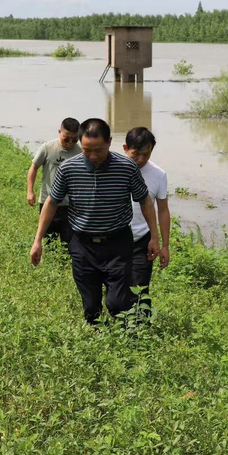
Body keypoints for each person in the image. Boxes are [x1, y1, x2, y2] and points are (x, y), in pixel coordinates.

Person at [31, 118, 158, 324]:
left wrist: (154, 236)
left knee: (116, 302)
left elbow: (144, 201)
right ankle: (99, 338)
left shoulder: (126, 168)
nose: (92, 156)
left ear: (109, 142)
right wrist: (37, 240)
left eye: (98, 150)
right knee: (91, 306)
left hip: (117, 244)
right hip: (82, 244)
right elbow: (51, 203)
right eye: (86, 150)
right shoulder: (68, 169)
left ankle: (126, 335)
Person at [123, 127, 170, 312]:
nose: (141, 160)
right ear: (125, 148)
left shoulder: (159, 175)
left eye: (146, 154)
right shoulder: (113, 168)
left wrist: (164, 245)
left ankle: (141, 330)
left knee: (140, 288)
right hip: (114, 237)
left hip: (143, 239)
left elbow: (163, 210)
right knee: (116, 288)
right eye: (136, 154)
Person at [27, 117, 81, 242]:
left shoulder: (81, 153)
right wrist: (30, 191)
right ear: (59, 132)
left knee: (69, 242)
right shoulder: (47, 148)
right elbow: (34, 168)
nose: (70, 143)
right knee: (48, 240)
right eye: (66, 138)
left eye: (74, 139)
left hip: (71, 205)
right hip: (48, 201)